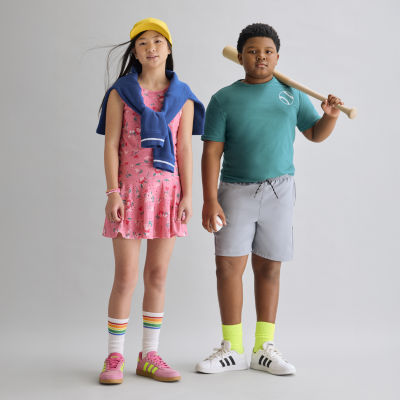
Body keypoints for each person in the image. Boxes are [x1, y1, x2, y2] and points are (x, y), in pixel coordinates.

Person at [196, 23, 343, 375]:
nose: (260, 56)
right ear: (240, 57)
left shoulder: (292, 94)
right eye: (252, 51)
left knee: (269, 267)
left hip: (279, 191)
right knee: (228, 267)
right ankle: (232, 348)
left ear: (277, 57)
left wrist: (329, 117)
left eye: (267, 51)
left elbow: (314, 134)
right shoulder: (223, 99)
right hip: (234, 192)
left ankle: (264, 348)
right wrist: (209, 199)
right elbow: (211, 153)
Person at [96, 17, 204, 384]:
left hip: (166, 196)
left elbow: (184, 148)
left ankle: (149, 355)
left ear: (169, 49)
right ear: (135, 52)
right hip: (128, 194)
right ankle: (114, 356)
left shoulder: (183, 97)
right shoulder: (120, 93)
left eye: (158, 41)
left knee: (157, 276)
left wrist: (188, 195)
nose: (151, 48)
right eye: (143, 43)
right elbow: (111, 145)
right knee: (125, 277)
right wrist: (112, 192)